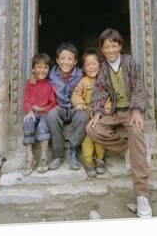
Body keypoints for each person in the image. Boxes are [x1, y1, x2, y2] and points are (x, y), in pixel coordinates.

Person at [86, 28, 152, 218]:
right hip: (114, 112)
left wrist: (137, 110)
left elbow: (139, 87)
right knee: (92, 129)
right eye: (106, 47)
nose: (110, 50)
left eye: (114, 46)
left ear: (120, 46)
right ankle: (126, 150)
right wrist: (97, 113)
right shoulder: (103, 68)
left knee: (137, 132)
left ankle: (141, 195)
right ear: (102, 49)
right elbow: (99, 92)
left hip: (131, 111)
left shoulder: (129, 62)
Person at [45, 42, 88, 171]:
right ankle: (57, 155)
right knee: (51, 115)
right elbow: (39, 77)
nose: (66, 62)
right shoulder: (51, 74)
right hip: (60, 107)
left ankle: (74, 152)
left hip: (76, 107)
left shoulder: (81, 74)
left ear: (75, 61)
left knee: (84, 116)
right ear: (57, 60)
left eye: (70, 59)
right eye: (62, 58)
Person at [71, 49, 110, 177]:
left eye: (94, 64)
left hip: (101, 115)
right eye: (88, 65)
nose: (91, 67)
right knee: (87, 135)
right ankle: (88, 161)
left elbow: (110, 98)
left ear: (100, 65)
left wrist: (106, 110)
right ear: (83, 67)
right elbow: (76, 95)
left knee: (99, 133)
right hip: (87, 113)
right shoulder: (83, 81)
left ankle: (100, 159)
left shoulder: (105, 81)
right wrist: (80, 104)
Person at [22, 53, 57, 175]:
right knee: (28, 122)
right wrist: (30, 110)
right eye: (39, 67)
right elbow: (26, 99)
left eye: (45, 67)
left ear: (49, 69)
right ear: (33, 69)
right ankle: (30, 157)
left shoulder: (49, 85)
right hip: (33, 112)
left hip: (44, 113)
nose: (42, 70)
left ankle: (43, 157)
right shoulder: (30, 83)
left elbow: (54, 102)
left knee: (42, 127)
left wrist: (44, 109)